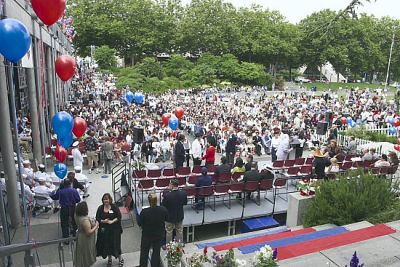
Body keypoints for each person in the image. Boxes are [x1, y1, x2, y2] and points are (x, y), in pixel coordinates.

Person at [138, 193, 168, 267]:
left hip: (147, 235)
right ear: (157, 200)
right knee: (156, 252)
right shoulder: (163, 209)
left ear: (148, 201)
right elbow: (166, 219)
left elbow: (139, 223)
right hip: (159, 234)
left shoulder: (144, 212)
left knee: (144, 252)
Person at [96, 193, 124, 267]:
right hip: (105, 230)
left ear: (110, 200)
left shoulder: (114, 207)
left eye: (107, 199)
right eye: (104, 199)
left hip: (114, 230)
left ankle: (120, 259)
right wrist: (103, 221)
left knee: (116, 244)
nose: (106, 201)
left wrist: (112, 221)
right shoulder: (100, 208)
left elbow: (119, 216)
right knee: (107, 245)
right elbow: (98, 219)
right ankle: (109, 259)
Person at [162, 179, 187, 244]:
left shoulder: (167, 195)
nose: (169, 185)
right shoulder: (183, 193)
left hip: (169, 217)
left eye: (169, 184)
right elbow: (185, 203)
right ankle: (179, 246)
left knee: (169, 232)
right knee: (179, 231)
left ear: (172, 185)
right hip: (179, 215)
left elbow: (163, 206)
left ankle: (169, 247)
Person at [74, 202, 98, 267]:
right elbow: (88, 232)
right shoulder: (85, 220)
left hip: (80, 236)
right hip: (86, 239)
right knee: (86, 253)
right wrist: (96, 226)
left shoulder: (76, 215)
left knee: (81, 253)